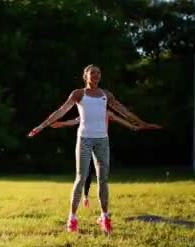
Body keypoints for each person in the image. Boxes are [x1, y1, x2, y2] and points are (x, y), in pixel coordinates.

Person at [27, 65, 161, 234]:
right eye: (93, 72)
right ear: (86, 76)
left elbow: (124, 112)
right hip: (84, 140)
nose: (96, 75)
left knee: (103, 180)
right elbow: (61, 111)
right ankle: (72, 218)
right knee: (81, 178)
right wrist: (42, 126)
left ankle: (104, 217)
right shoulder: (78, 94)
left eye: (99, 73)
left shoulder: (106, 95)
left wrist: (143, 123)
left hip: (102, 141)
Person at [50, 110, 143, 209]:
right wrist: (62, 123)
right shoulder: (88, 110)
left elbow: (119, 119)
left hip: (101, 143)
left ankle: (102, 211)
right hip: (87, 142)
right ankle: (85, 197)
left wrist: (134, 126)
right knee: (86, 172)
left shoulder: (106, 112)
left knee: (101, 176)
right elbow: (76, 120)